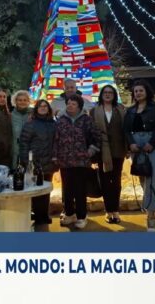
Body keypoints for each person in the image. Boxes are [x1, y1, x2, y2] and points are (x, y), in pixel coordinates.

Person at [123, 80, 155, 232]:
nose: (138, 93)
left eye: (140, 90)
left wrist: (152, 143)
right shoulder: (129, 111)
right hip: (138, 146)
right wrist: (131, 144)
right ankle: (153, 208)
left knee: (154, 178)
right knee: (144, 178)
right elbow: (126, 130)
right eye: (135, 91)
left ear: (147, 92)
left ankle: (151, 217)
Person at [53, 94, 101, 229]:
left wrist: (90, 151)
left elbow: (96, 136)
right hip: (65, 161)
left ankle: (81, 216)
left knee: (80, 190)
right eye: (68, 103)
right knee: (67, 190)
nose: (70, 105)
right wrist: (55, 156)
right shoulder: (61, 120)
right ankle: (69, 214)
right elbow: (56, 139)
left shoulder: (86, 120)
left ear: (79, 106)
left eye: (73, 103)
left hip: (82, 162)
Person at [90, 85, 127, 224]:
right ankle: (108, 210)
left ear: (114, 95)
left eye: (110, 92)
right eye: (105, 92)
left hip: (118, 150)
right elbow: (91, 132)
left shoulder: (121, 110)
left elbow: (125, 129)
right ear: (101, 95)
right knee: (105, 181)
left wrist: (128, 147)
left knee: (116, 181)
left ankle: (115, 211)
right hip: (102, 150)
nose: (107, 94)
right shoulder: (94, 111)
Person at [18, 99, 56, 231]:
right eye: (40, 106)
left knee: (46, 190)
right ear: (36, 109)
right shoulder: (31, 124)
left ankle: (44, 215)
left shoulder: (53, 123)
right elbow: (23, 143)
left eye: (45, 106)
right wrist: (25, 160)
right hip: (34, 162)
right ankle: (37, 215)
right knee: (35, 190)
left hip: (49, 161)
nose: (43, 108)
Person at [11, 90, 32, 170]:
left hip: (29, 152)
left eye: (24, 100)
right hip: (14, 152)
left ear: (28, 101)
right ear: (15, 101)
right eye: (20, 100)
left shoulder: (33, 115)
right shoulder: (10, 115)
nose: (22, 102)